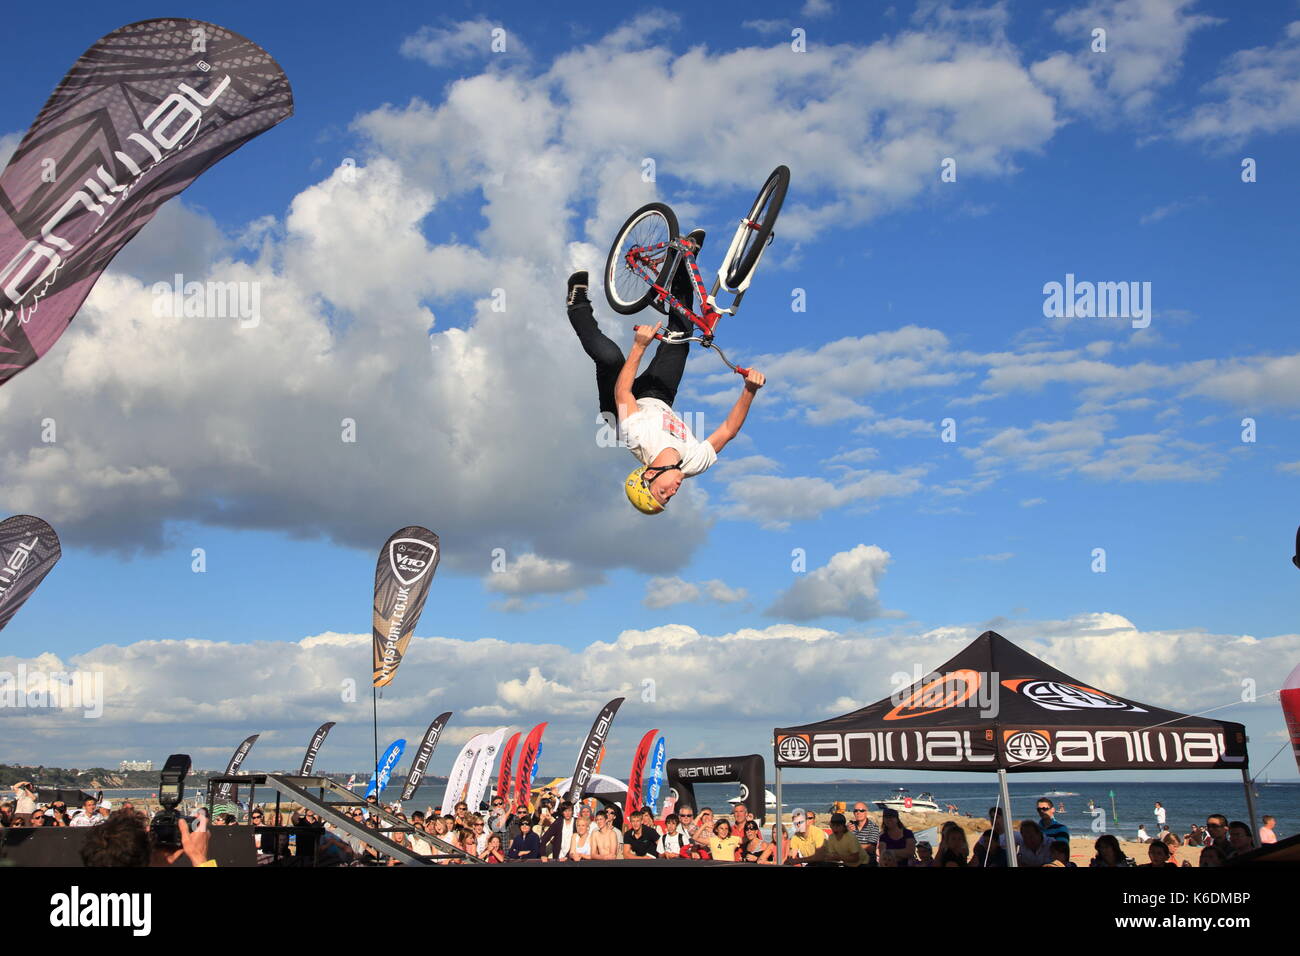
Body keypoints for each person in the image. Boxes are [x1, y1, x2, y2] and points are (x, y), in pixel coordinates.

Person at [565, 267, 766, 515]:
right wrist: (749, 390)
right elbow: (728, 431)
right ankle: (683, 263)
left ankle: (578, 304)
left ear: (649, 474)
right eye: (668, 499)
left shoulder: (638, 437)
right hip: (657, 398)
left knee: (610, 359)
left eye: (662, 492)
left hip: (618, 406)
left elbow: (623, 393)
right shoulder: (693, 463)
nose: (672, 493)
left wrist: (639, 346)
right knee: (681, 336)